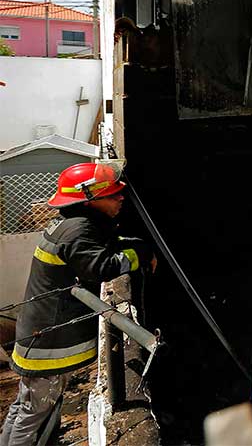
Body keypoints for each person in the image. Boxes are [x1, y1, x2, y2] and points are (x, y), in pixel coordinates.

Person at [1, 163, 154, 446]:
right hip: (46, 342)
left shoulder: (72, 224)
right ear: (89, 200)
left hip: (39, 334)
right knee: (33, 413)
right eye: (112, 195)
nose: (121, 198)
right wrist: (139, 254)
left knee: (26, 408)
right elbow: (103, 266)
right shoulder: (77, 231)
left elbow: (103, 245)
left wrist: (129, 244)